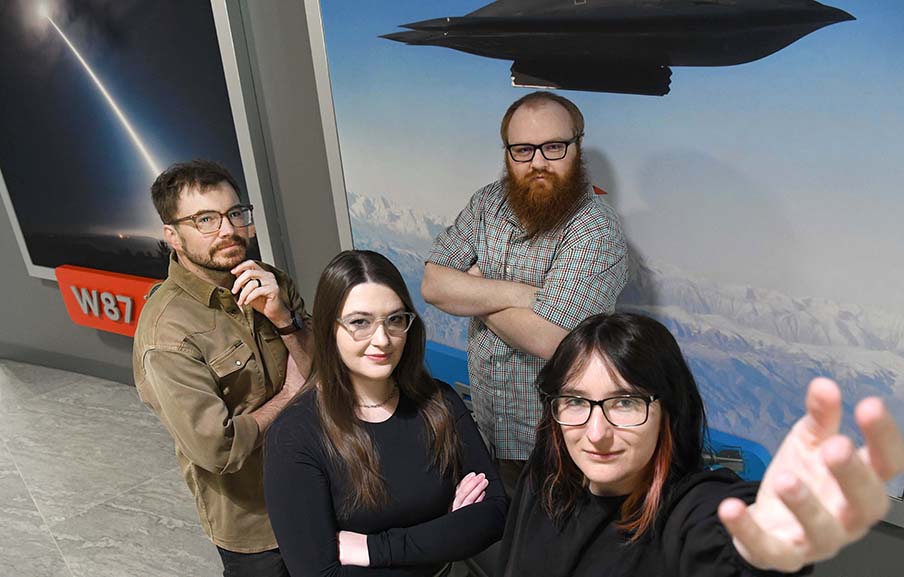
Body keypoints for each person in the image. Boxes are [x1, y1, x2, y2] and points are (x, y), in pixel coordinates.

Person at [499, 312, 904, 577]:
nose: (595, 432)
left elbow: (722, 535)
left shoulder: (687, 510)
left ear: (668, 410)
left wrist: (758, 550)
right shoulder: (547, 476)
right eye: (575, 401)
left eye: (624, 402)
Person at [422, 91, 628, 491]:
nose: (537, 162)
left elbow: (552, 338)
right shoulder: (487, 204)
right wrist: (522, 294)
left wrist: (474, 291)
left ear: (577, 147)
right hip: (487, 429)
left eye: (553, 147)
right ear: (508, 153)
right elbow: (433, 284)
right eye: (522, 150)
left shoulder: (596, 229)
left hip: (558, 446)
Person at [263, 250, 507, 577]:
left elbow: (492, 516)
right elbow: (319, 574)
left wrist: (372, 549)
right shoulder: (294, 436)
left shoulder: (440, 402)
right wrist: (446, 531)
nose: (382, 340)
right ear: (327, 329)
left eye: (394, 320)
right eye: (360, 323)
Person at [133, 160, 312, 577]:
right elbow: (219, 448)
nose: (228, 229)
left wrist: (284, 320)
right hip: (256, 524)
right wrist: (290, 396)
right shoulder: (167, 334)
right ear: (173, 236)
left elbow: (321, 371)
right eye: (206, 220)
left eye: (235, 214)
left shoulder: (271, 280)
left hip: (319, 487)